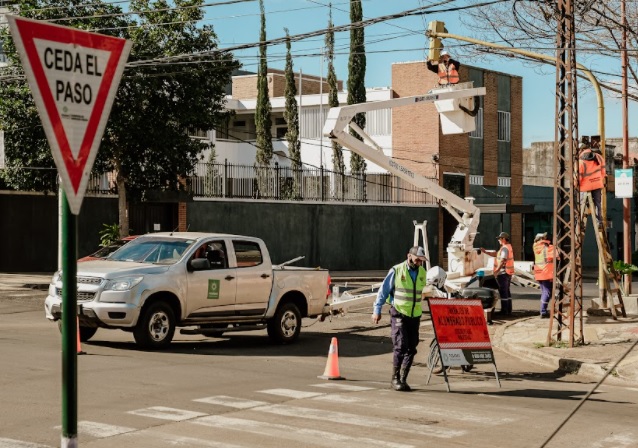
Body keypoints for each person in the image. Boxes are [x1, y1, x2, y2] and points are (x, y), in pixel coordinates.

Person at [371, 246, 428, 392]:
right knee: (401, 345)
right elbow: (383, 291)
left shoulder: (422, 272)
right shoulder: (397, 270)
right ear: (409, 256)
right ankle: (394, 378)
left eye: (421, 261)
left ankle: (403, 379)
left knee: (412, 347)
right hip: (399, 312)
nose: (419, 263)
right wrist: (377, 310)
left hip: (414, 315)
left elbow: (425, 291)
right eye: (417, 260)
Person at [481, 232, 515, 315]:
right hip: (507, 272)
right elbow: (496, 254)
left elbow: (503, 260)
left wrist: (496, 271)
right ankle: (508, 310)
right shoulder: (507, 247)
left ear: (503, 239)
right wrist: (485, 252)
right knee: (507, 291)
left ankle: (504, 311)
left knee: (503, 292)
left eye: (499, 238)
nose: (498, 240)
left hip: (503, 273)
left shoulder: (504, 248)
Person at [578, 141, 606, 227]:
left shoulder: (581, 161)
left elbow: (580, 176)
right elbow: (603, 171)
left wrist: (577, 185)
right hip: (597, 183)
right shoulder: (599, 157)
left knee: (582, 203)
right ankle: (599, 222)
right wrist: (599, 180)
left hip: (585, 186)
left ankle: (580, 221)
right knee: (597, 203)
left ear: (581, 150)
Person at [533, 232, 555, 318]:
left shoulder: (535, 246)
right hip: (546, 273)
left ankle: (543, 310)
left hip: (539, 272)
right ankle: (543, 311)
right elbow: (557, 256)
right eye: (545, 237)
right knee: (547, 292)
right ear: (542, 239)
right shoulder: (549, 248)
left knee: (544, 292)